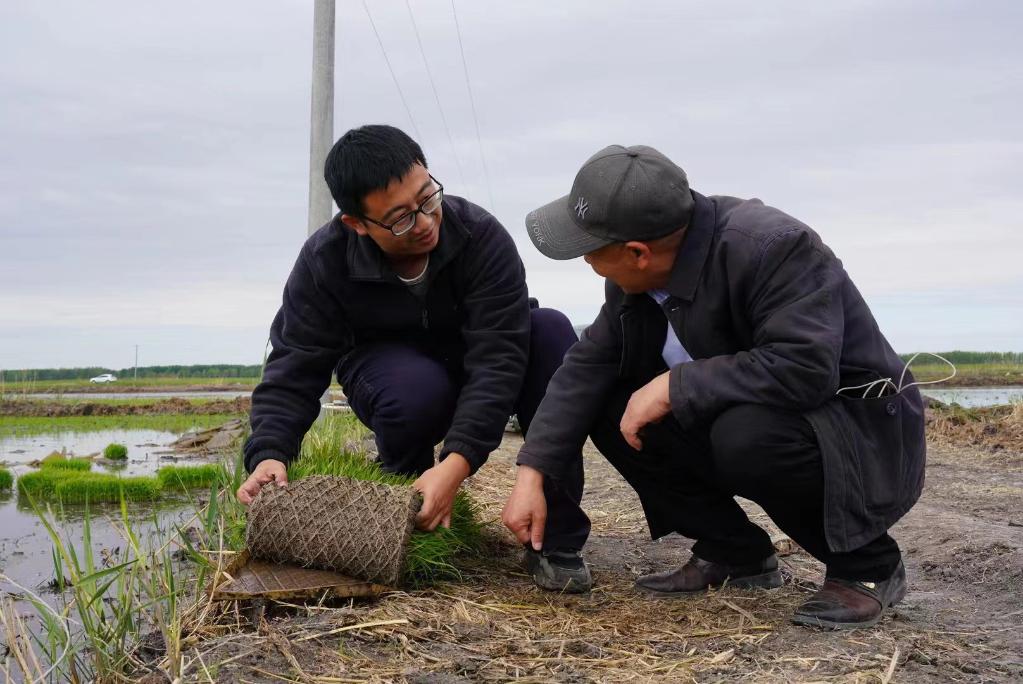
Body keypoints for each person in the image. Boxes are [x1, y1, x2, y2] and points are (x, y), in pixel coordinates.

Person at [502, 144, 926, 628]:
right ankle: (735, 552)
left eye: (590, 251)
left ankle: (868, 565)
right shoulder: (633, 282)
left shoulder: (774, 247)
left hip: (856, 428)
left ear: (637, 253)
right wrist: (532, 473)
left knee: (746, 436)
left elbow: (805, 368)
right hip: (761, 413)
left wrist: (673, 385)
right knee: (610, 406)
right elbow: (585, 367)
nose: (586, 261)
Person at [237, 125, 592, 592]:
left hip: (474, 358)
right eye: (400, 218)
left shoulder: (480, 235)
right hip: (389, 372)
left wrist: (456, 464)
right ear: (357, 223)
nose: (424, 222)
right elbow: (295, 364)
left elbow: (498, 358)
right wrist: (270, 452)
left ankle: (554, 536)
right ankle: (404, 507)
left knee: (549, 331)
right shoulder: (325, 261)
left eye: (428, 198)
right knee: (413, 390)